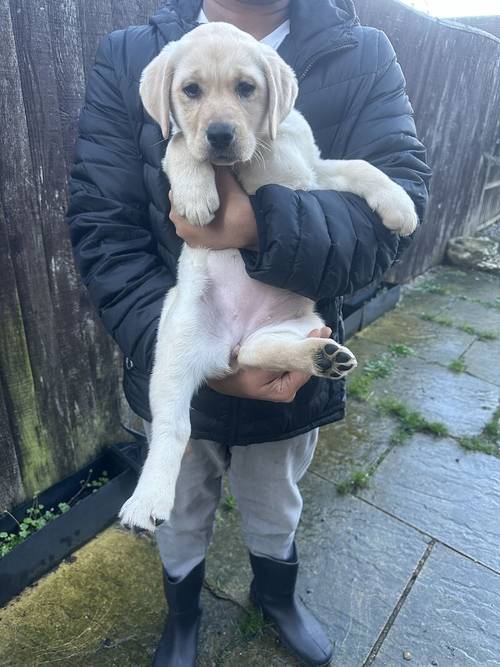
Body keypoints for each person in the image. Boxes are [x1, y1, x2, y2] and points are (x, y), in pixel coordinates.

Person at [66, 0, 431, 665]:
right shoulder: (133, 58)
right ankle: (183, 612)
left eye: (241, 91)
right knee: (178, 501)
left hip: (288, 349)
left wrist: (260, 225)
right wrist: (176, 350)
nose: (220, 115)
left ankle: (277, 594)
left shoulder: (363, 54)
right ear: (170, 99)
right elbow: (103, 227)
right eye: (196, 93)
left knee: (278, 498)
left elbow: (376, 215)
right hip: (185, 328)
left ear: (270, 97)